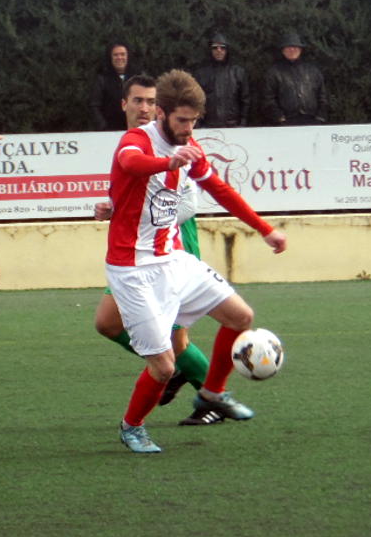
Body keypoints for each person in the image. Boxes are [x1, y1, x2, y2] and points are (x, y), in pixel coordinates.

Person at [105, 70, 287, 453]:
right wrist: (169, 163)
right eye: (182, 120)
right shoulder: (136, 140)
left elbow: (218, 189)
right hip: (134, 270)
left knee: (240, 317)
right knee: (164, 366)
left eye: (193, 121)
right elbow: (132, 163)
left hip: (174, 259)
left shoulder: (189, 146)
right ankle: (132, 427)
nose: (188, 129)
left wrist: (265, 229)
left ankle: (211, 394)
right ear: (161, 113)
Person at [92, 74, 220, 425]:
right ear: (124, 104)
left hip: (170, 245)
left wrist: (144, 221)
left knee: (176, 339)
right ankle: (173, 370)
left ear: (160, 108)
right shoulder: (134, 142)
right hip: (136, 254)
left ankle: (212, 398)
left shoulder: (177, 141)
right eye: (138, 101)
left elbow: (187, 202)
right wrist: (114, 208)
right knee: (107, 323)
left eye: (151, 102)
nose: (145, 108)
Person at [261, 32, 329, 125]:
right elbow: (268, 99)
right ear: (283, 50)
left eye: (295, 47)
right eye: (288, 47)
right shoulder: (274, 72)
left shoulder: (313, 71)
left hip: (312, 121)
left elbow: (322, 96)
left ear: (300, 49)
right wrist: (279, 118)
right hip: (286, 123)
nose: (292, 49)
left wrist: (320, 117)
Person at [193, 32, 250, 128]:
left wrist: (243, 122)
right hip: (208, 126)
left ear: (227, 50)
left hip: (233, 126)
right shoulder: (201, 74)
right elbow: (195, 101)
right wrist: (198, 124)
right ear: (210, 50)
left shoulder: (238, 72)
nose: (219, 50)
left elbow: (245, 100)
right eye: (215, 48)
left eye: (222, 48)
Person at [89, 41, 134, 130]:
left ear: (128, 56)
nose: (119, 57)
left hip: (135, 129)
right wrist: (104, 127)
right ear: (110, 58)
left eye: (122, 54)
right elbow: (94, 106)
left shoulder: (138, 77)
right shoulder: (102, 79)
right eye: (115, 55)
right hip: (110, 131)